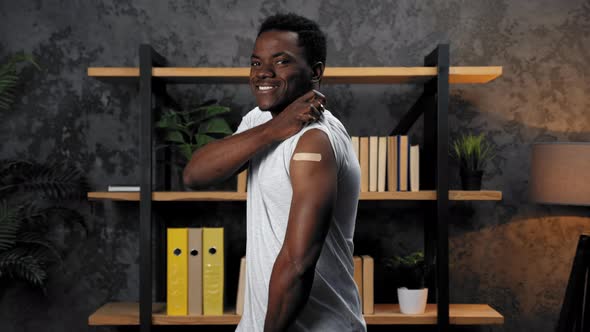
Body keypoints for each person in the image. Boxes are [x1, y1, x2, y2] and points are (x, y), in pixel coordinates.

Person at [183, 13, 366, 332]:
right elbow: (195, 176)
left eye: (281, 62)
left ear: (316, 71)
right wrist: (273, 129)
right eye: (256, 63)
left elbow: (298, 265)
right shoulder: (259, 120)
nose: (263, 73)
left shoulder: (315, 140)